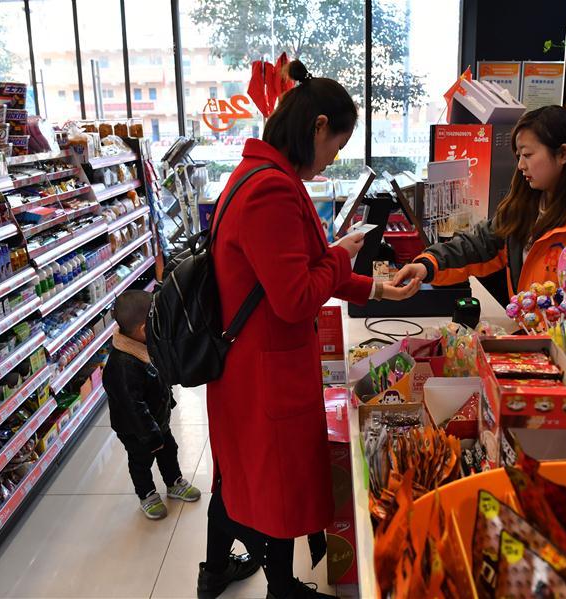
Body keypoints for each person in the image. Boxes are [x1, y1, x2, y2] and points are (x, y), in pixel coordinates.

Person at [199, 60, 419, 599]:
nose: (333, 158)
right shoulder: (271, 190)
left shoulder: (262, 174)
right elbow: (296, 295)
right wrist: (343, 259)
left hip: (256, 362)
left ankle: (256, 577)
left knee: (260, 481)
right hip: (264, 367)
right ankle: (280, 589)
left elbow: (301, 267)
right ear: (318, 126)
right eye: (337, 145)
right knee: (274, 483)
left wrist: (372, 288)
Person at [394, 105, 566, 350]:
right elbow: (481, 245)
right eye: (518, 156)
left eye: (528, 155)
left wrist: (557, 334)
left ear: (563, 154)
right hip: (534, 351)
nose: (520, 166)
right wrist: (428, 265)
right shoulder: (527, 203)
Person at [102, 290, 202, 519]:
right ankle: (147, 494)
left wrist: (167, 399)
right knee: (141, 460)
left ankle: (174, 481)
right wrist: (150, 435)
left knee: (169, 450)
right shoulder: (123, 366)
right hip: (136, 429)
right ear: (143, 330)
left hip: (157, 421)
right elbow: (133, 407)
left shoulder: (144, 346)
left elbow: (158, 378)